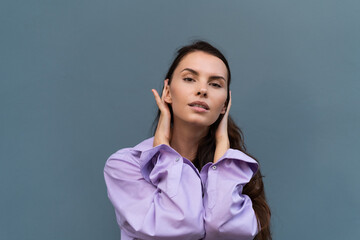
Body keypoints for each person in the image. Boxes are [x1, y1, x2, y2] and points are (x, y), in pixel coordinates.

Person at [104, 40, 271, 240]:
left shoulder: (237, 170)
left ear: (225, 104)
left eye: (215, 84)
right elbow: (183, 226)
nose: (202, 90)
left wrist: (223, 161)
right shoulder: (125, 165)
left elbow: (223, 230)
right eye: (190, 79)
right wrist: (164, 152)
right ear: (167, 92)